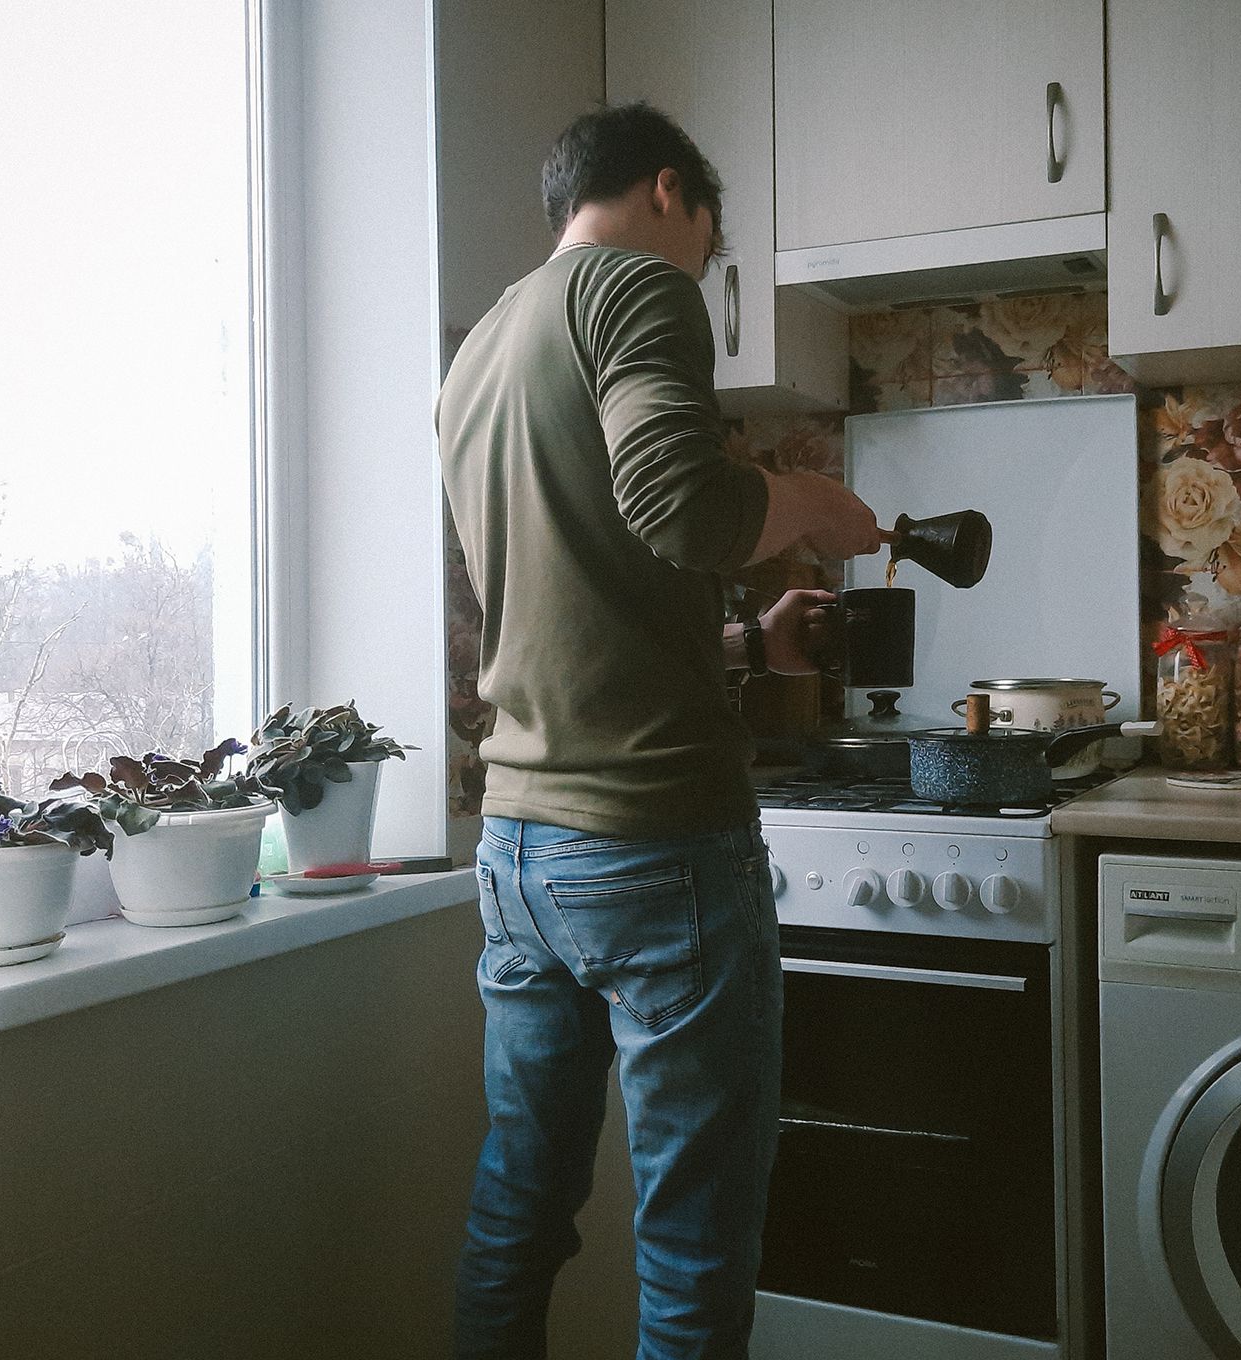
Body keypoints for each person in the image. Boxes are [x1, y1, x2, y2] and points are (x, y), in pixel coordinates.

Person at [435, 101, 884, 1360]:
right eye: (711, 249)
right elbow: (680, 505)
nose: (703, 281)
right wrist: (808, 502)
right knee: (691, 1242)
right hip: (652, 843)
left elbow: (566, 601)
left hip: (520, 844)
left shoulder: (478, 353)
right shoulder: (635, 282)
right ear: (672, 195)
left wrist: (743, 647)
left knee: (519, 1207)